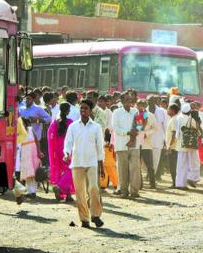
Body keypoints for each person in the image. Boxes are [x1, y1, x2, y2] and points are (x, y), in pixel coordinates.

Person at [63, 99, 105, 228]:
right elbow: (68, 142)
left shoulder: (96, 127)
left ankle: (96, 215)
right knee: (80, 192)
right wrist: (66, 153)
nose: (83, 110)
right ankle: (84, 219)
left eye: (85, 108)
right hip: (77, 162)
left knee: (93, 188)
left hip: (92, 162)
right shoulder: (73, 126)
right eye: (81, 108)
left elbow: (100, 147)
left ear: (90, 110)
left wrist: (101, 164)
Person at [111, 92, 140, 199]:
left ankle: (134, 191)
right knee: (122, 169)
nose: (129, 101)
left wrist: (136, 131)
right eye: (127, 99)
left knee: (135, 167)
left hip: (134, 143)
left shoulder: (136, 111)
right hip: (121, 144)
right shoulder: (117, 112)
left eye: (131, 99)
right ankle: (123, 191)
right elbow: (115, 128)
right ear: (122, 101)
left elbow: (140, 124)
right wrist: (128, 132)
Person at [48, 103, 75, 202]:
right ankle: (60, 187)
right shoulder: (71, 123)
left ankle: (67, 195)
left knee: (62, 172)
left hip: (57, 151)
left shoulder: (55, 123)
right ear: (68, 111)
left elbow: (50, 136)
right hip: (68, 150)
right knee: (71, 170)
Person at [175, 103, 201, 189]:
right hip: (190, 144)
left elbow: (177, 133)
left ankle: (180, 184)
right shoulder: (191, 120)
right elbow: (198, 132)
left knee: (181, 165)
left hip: (180, 144)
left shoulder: (178, 118)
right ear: (189, 111)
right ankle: (192, 178)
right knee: (194, 163)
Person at [137, 99, 159, 189]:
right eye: (139, 105)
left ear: (145, 105)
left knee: (150, 165)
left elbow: (155, 128)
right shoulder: (134, 114)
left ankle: (152, 184)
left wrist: (147, 134)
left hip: (147, 144)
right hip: (136, 143)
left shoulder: (151, 115)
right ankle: (140, 184)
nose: (140, 106)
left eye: (142, 105)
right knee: (137, 166)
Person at [20, 118, 44, 197]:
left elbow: (37, 141)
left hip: (33, 153)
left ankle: (32, 191)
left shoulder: (30, 130)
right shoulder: (19, 132)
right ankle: (30, 191)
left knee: (34, 173)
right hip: (25, 154)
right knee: (28, 173)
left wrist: (39, 152)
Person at [147, 94, 166, 180]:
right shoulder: (144, 111)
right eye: (149, 101)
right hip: (146, 139)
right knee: (146, 159)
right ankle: (149, 173)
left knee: (156, 159)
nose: (150, 102)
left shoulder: (162, 111)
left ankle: (152, 176)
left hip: (158, 139)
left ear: (155, 101)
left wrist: (166, 140)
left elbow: (165, 126)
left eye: (152, 100)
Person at [165, 103, 180, 187]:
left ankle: (175, 183)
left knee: (173, 166)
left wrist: (169, 146)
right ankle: (175, 182)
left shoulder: (174, 119)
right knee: (173, 166)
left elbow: (174, 134)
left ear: (173, 111)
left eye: (168, 109)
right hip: (174, 147)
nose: (167, 110)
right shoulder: (174, 118)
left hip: (173, 147)